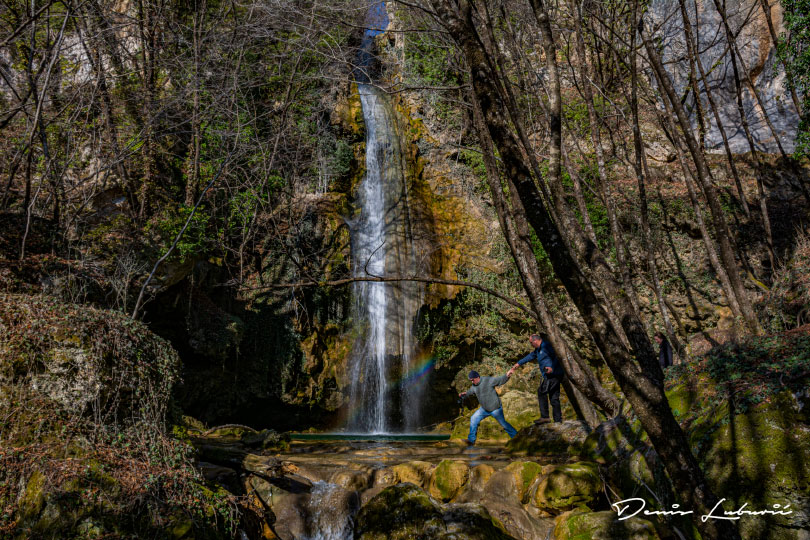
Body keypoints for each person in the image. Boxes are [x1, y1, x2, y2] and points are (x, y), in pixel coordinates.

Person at [508, 333, 564, 424]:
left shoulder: (546, 346)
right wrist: (516, 365)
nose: (531, 344)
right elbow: (529, 357)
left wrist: (552, 367)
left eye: (531, 342)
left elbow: (557, 356)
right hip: (551, 375)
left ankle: (545, 417)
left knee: (541, 392)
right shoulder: (538, 350)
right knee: (554, 397)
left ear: (535, 340)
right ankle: (558, 420)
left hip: (553, 374)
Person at [458, 369, 517, 445]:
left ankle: (516, 437)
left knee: (504, 424)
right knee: (473, 418)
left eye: (472, 380)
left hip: (495, 409)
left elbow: (500, 380)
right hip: (484, 409)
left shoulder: (488, 380)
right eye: (471, 381)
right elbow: (470, 391)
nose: (472, 382)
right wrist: (464, 394)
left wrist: (507, 375)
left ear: (477, 377)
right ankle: (471, 440)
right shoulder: (474, 385)